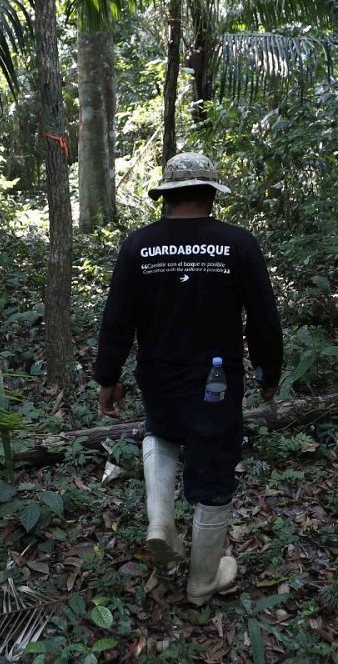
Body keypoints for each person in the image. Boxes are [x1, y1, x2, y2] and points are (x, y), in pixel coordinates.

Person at [93, 152, 283, 605]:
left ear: (167, 197)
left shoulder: (139, 246)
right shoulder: (238, 244)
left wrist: (108, 376)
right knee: (214, 473)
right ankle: (201, 582)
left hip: (159, 375)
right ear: (212, 195)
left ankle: (160, 520)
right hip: (217, 382)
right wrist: (268, 372)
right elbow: (263, 318)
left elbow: (116, 319)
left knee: (161, 432)